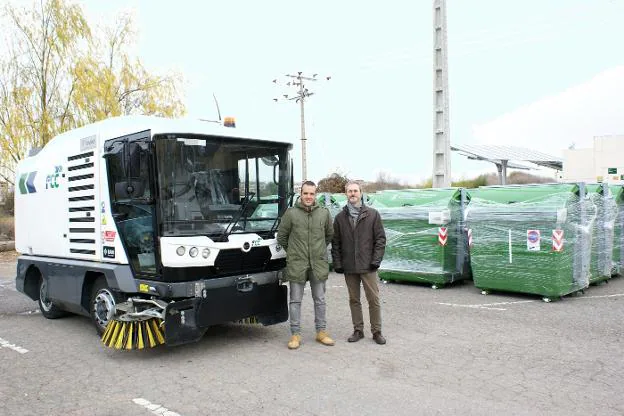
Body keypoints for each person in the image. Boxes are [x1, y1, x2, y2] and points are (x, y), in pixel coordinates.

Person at [277, 181, 335, 350]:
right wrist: (294, 252)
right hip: (297, 264)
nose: (308, 197)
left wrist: (318, 250)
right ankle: (295, 334)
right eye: (305, 193)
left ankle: (321, 332)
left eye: (312, 194)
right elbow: (282, 237)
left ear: (315, 195)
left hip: (318, 264)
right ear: (300, 194)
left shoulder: (324, 213)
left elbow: (329, 235)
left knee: (320, 299)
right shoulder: (291, 214)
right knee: (295, 300)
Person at [331, 181, 387, 345]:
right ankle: (358, 330)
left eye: (355, 191)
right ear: (346, 194)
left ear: (361, 193)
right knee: (354, 300)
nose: (353, 194)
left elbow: (380, 240)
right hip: (349, 266)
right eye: (350, 191)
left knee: (373, 300)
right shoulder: (340, 218)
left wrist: (376, 261)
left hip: (368, 265)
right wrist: (338, 263)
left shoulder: (372, 215)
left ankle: (377, 332)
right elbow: (336, 243)